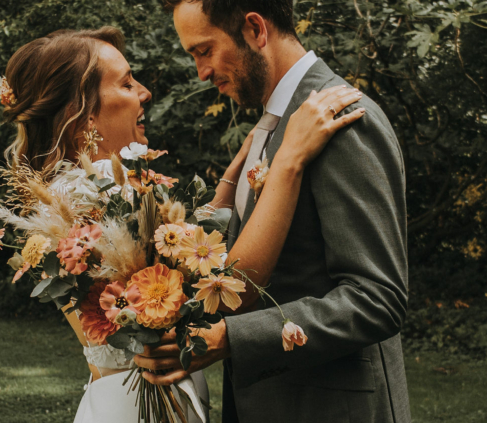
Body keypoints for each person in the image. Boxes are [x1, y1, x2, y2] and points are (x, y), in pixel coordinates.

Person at [0, 26, 366, 422]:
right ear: (85, 116)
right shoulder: (97, 192)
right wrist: (289, 160)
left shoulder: (74, 190)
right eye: (127, 83)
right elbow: (234, 283)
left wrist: (235, 173)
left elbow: (183, 258)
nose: (144, 93)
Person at [133, 1, 413, 422]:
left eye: (204, 51)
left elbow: (378, 299)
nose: (201, 72)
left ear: (254, 30)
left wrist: (232, 338)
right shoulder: (276, 126)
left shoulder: (343, 121)